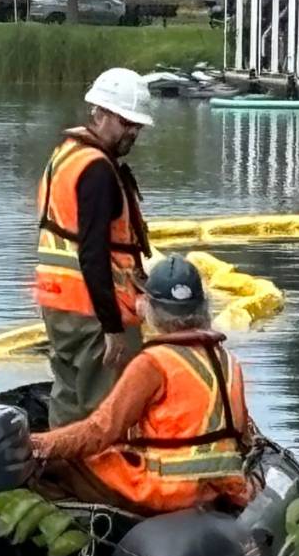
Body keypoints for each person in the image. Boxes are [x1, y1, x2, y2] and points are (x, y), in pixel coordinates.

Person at [28, 255, 260, 515]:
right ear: (203, 306)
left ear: (149, 308)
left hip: (166, 491)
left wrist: (37, 444)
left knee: (57, 465)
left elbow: (99, 431)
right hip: (217, 488)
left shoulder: (153, 363)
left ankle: (90, 529)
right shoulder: (229, 361)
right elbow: (242, 436)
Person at [33, 68, 156, 426]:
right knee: (109, 411)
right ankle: (102, 464)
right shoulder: (98, 171)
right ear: (100, 113)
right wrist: (112, 327)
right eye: (126, 122)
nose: (133, 131)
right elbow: (93, 253)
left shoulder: (67, 155)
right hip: (94, 310)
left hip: (59, 304)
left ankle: (58, 459)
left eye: (137, 124)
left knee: (69, 400)